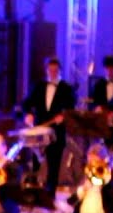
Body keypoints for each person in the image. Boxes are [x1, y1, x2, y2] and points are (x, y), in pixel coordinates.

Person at [21, 57, 76, 195]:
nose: (52, 73)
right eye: (50, 70)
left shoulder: (67, 88)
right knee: (37, 163)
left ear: (59, 71)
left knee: (53, 164)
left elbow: (72, 110)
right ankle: (35, 192)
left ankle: (50, 195)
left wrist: (63, 117)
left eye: (55, 71)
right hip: (39, 131)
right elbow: (26, 103)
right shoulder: (39, 86)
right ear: (46, 70)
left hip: (57, 132)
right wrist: (28, 114)